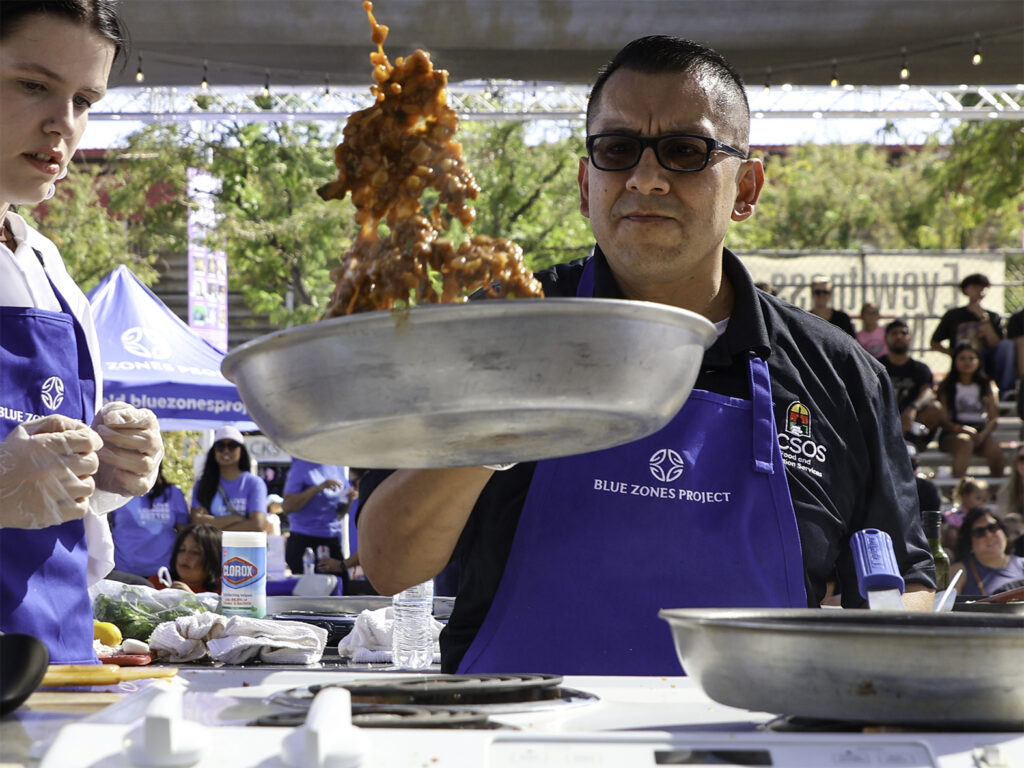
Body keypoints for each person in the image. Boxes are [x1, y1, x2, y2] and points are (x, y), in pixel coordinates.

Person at [356, 35, 935, 676]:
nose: (645, 177)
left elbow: (899, 584)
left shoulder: (842, 377)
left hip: (752, 739)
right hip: (517, 735)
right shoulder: (500, 330)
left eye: (686, 152)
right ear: (585, 183)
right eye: (617, 149)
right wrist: (497, 421)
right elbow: (388, 563)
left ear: (746, 186)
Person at [0, 0, 164, 665]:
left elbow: (51, 500)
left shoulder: (47, 266)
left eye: (84, 99)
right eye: (33, 85)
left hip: (57, 659)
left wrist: (109, 474)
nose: (62, 124)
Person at [930, 273, 1016, 399]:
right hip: (964, 357)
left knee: (1007, 345)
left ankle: (1005, 392)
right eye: (976, 286)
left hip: (988, 358)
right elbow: (934, 342)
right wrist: (952, 352)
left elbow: (998, 345)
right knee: (971, 353)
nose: (980, 290)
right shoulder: (954, 315)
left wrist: (984, 321)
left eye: (983, 287)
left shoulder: (992, 316)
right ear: (966, 289)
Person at [935, 342, 1004, 479]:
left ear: (978, 361)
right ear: (955, 362)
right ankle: (958, 490)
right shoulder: (947, 386)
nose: (967, 362)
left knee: (994, 448)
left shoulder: (987, 385)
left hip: (980, 433)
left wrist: (982, 435)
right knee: (965, 442)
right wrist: (962, 429)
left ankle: (995, 493)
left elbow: (994, 418)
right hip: (953, 433)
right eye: (962, 358)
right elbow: (943, 420)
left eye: (971, 358)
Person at [281, 458, 353, 588]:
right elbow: (287, 507)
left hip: (332, 541)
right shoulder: (302, 465)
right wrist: (317, 488)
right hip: (303, 542)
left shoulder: (339, 465)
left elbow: (340, 513)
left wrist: (349, 500)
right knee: (308, 596)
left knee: (341, 591)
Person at [110, 462, 189, 579]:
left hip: (164, 575)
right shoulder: (115, 491)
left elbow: (185, 535)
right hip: (124, 572)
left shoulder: (173, 493)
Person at [190, 426, 268, 533]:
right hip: (213, 548)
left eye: (232, 446)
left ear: (241, 450)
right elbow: (197, 522)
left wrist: (214, 527)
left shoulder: (254, 484)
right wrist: (237, 519)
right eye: (220, 446)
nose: (226, 451)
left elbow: (258, 524)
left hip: (244, 548)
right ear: (214, 451)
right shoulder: (202, 484)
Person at [878, 319, 941, 450]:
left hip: (911, 422)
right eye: (894, 333)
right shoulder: (876, 366)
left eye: (904, 333)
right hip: (882, 419)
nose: (899, 336)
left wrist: (913, 408)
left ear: (910, 338)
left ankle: (913, 446)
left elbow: (928, 392)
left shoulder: (920, 369)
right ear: (886, 339)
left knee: (935, 408)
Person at [950, 507, 1024, 595]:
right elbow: (946, 606)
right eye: (979, 532)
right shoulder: (959, 572)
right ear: (969, 543)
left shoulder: (1022, 564)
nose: (989, 535)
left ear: (1004, 533)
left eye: (993, 528)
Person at [147, 523, 222, 594]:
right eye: (181, 550)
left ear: (213, 558)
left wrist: (192, 599)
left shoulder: (225, 590)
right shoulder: (156, 583)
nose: (185, 557)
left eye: (195, 552)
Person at [943, 476, 991, 551]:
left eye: (984, 500)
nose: (981, 503)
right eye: (978, 498)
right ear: (964, 496)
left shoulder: (984, 517)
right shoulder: (953, 516)